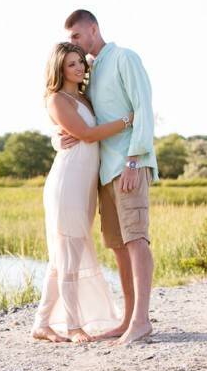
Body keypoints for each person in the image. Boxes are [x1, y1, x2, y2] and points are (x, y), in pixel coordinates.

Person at [55, 9, 159, 345]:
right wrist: (59, 136)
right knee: (117, 245)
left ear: (93, 29)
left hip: (128, 166)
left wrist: (134, 160)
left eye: (75, 37)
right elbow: (78, 116)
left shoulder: (125, 58)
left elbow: (142, 109)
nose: (73, 44)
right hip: (104, 171)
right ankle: (127, 319)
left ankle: (141, 321)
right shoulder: (91, 70)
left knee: (136, 240)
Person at [31, 42, 132, 343]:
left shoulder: (84, 99)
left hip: (84, 185)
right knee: (69, 254)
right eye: (71, 64)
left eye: (80, 62)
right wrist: (127, 121)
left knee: (62, 257)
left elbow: (84, 132)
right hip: (67, 183)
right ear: (59, 68)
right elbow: (86, 134)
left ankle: (41, 324)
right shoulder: (56, 99)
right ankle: (73, 325)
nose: (78, 68)